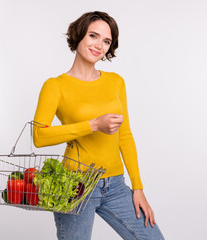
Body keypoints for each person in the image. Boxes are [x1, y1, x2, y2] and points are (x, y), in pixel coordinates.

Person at [33, 11, 165, 240]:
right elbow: (39, 136)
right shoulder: (55, 86)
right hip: (75, 186)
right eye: (93, 36)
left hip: (115, 185)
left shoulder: (115, 82)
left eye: (106, 41)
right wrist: (93, 125)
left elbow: (125, 135)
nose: (99, 45)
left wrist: (137, 187)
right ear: (79, 35)